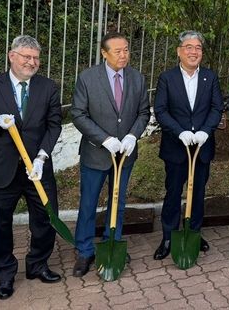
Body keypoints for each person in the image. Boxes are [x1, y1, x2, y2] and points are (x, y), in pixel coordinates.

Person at [0, 35, 62, 300]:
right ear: (11, 56)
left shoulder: (48, 87)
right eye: (26, 57)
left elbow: (54, 125)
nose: (32, 62)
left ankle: (38, 265)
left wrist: (42, 157)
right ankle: (5, 274)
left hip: (36, 169)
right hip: (0, 170)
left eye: (36, 58)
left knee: (45, 219)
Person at [70, 32, 150, 276]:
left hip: (125, 154)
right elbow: (78, 114)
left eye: (126, 49)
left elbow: (144, 112)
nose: (124, 55)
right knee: (88, 204)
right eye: (118, 51)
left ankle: (111, 243)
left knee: (119, 202)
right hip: (96, 154)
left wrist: (132, 136)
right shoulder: (87, 78)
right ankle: (84, 251)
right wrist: (104, 139)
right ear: (104, 53)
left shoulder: (137, 78)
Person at [152, 31, 224, 260]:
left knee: (198, 192)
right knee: (173, 192)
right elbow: (161, 110)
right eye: (189, 47)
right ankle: (168, 236)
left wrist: (205, 131)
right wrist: (180, 132)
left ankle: (194, 232)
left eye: (198, 48)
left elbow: (216, 108)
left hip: (202, 148)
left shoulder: (210, 78)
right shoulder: (167, 78)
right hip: (176, 148)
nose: (194, 52)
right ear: (179, 51)